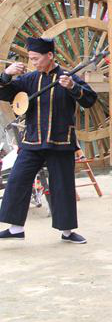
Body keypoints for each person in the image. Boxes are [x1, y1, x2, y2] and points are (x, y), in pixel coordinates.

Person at [0, 37, 97, 243]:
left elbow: (89, 99)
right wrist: (6, 75)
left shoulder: (68, 77)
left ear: (50, 56)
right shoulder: (29, 79)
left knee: (62, 186)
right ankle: (16, 228)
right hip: (33, 141)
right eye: (31, 59)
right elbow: (5, 93)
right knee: (17, 180)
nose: (33, 62)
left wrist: (72, 87)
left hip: (61, 141)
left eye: (36, 58)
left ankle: (68, 232)